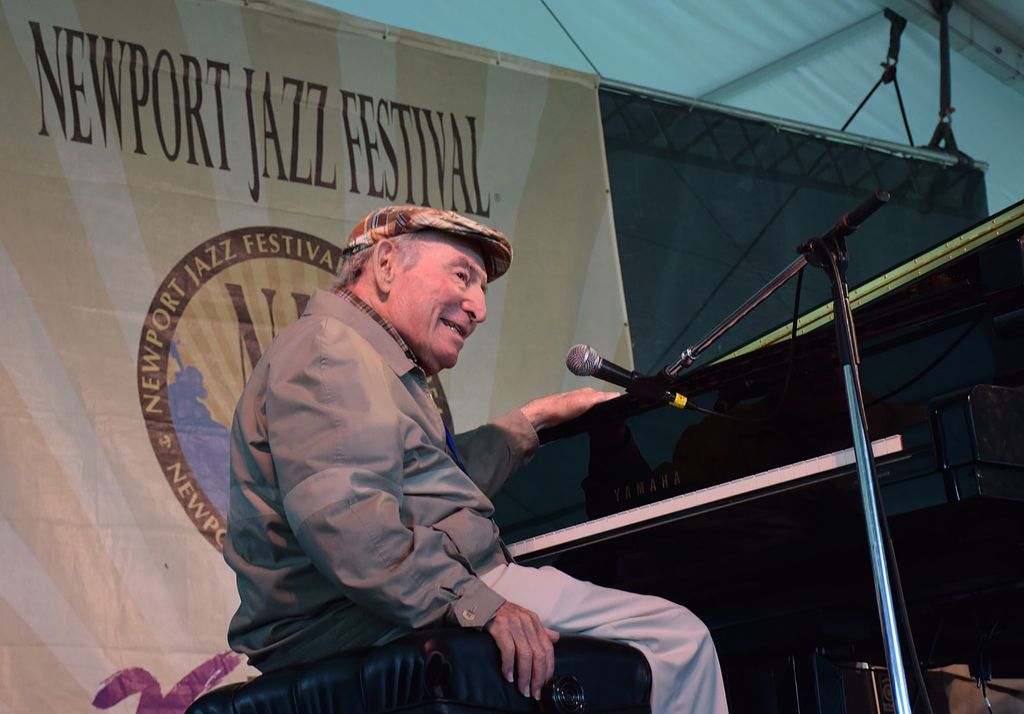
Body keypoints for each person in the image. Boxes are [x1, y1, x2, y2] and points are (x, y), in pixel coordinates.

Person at [224, 205, 729, 713]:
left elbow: (430, 488)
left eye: (482, 288)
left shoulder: (356, 355)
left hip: (368, 609)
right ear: (385, 265)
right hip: (355, 620)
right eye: (462, 276)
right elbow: (348, 524)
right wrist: (478, 605)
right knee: (677, 639)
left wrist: (531, 421)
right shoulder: (332, 353)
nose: (479, 307)